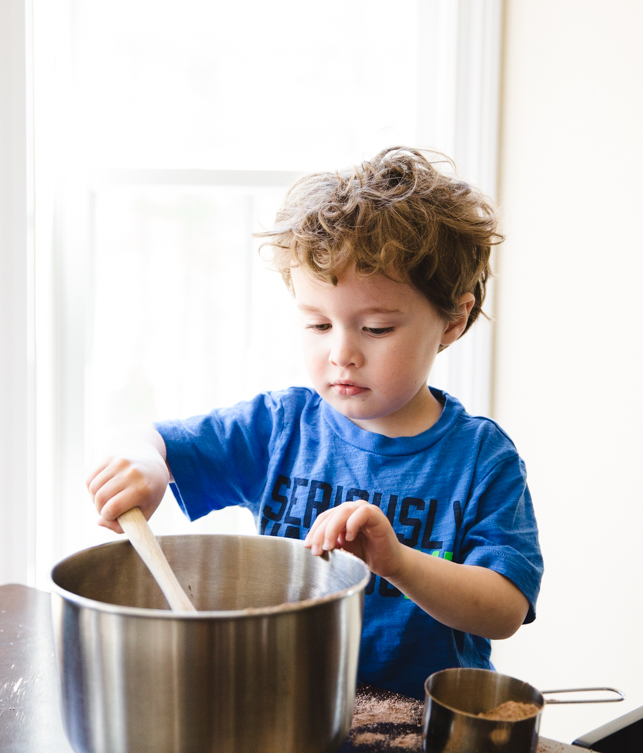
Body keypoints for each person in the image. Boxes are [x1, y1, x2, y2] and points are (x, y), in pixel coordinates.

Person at [87, 147, 543, 700]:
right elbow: (148, 439)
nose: (341, 353)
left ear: (452, 320)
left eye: (376, 329)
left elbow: (503, 609)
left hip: (420, 736)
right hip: (285, 712)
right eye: (318, 324)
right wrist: (143, 460)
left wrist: (395, 561)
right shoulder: (279, 427)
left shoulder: (480, 459)